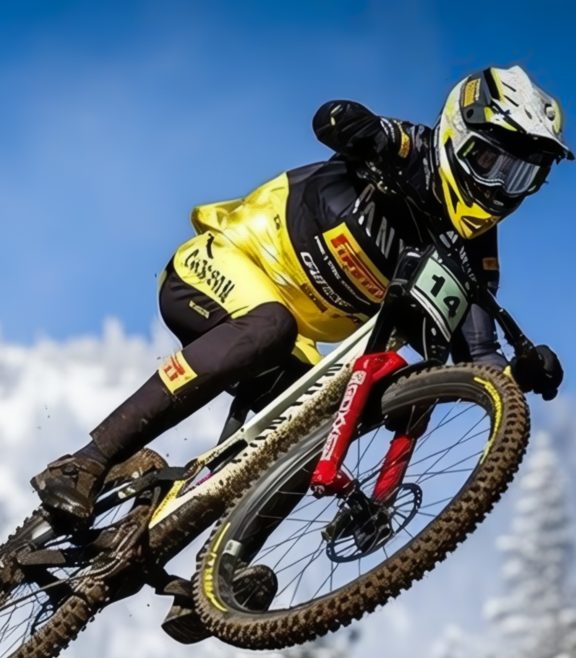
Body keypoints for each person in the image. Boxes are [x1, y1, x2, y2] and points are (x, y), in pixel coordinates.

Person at [32, 64, 571, 526]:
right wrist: (359, 127)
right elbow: (331, 118)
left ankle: (215, 562)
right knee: (271, 325)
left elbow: (477, 359)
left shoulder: (471, 256)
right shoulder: (409, 148)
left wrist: (513, 377)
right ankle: (85, 461)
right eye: (490, 162)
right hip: (218, 264)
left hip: (284, 338)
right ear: (455, 135)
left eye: (520, 176)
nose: (499, 187)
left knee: (323, 418)